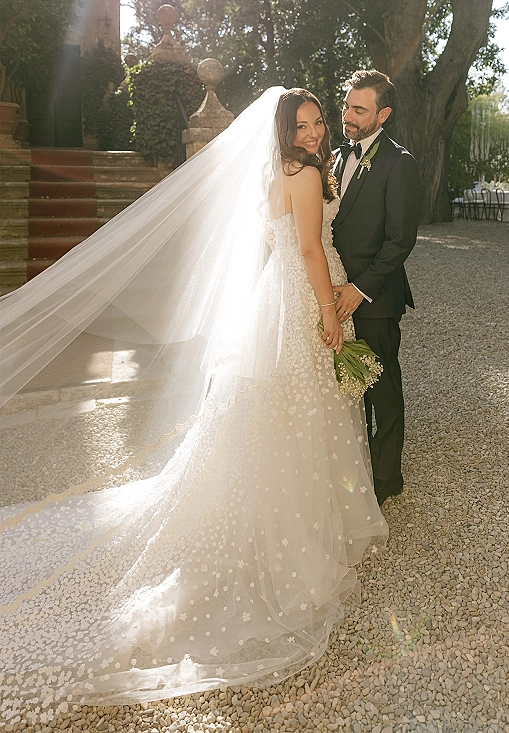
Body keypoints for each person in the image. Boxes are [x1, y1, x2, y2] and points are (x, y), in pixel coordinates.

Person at [0, 87, 387, 724]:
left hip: (273, 297)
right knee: (298, 411)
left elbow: (277, 243)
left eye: (320, 122)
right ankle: (293, 528)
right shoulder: (308, 174)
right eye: (306, 123)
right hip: (299, 299)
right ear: (286, 128)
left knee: (270, 411)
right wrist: (328, 311)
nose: (316, 132)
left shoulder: (272, 172)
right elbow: (313, 251)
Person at [332, 70, 422, 505]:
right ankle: (355, 466)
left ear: (382, 114)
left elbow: (399, 240)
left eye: (359, 109)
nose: (347, 115)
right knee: (347, 388)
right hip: (331, 295)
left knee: (382, 389)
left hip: (375, 299)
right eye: (347, 105)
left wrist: (359, 288)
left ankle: (387, 480)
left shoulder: (398, 163)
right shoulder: (334, 157)